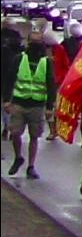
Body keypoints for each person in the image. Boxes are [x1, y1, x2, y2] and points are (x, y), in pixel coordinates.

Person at [5, 24, 54, 178]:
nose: (35, 45)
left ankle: (31, 166)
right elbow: (9, 79)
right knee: (15, 133)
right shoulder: (19, 59)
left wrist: (49, 107)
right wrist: (7, 100)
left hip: (37, 106)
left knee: (34, 136)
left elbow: (51, 84)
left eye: (38, 42)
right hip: (19, 103)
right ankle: (18, 156)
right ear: (28, 42)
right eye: (33, 41)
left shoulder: (46, 62)